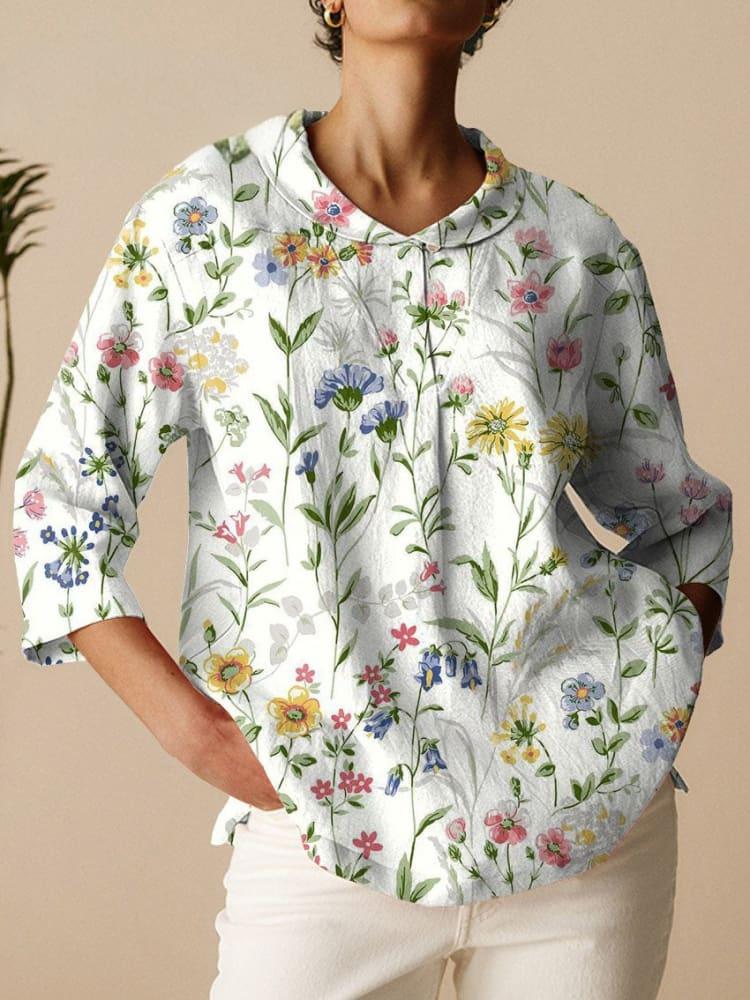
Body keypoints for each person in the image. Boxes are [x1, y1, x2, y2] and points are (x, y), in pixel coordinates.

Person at [11, 2, 734, 998]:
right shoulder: (207, 217)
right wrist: (201, 735)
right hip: (324, 819)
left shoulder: (575, 244)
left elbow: (678, 517)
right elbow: (62, 498)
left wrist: (644, 707)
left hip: (587, 831)